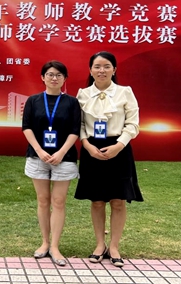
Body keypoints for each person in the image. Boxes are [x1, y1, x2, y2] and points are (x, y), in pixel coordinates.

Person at [74, 51, 143, 268]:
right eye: (97, 66)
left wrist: (119, 146)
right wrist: (87, 145)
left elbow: (133, 123)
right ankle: (99, 244)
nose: (101, 70)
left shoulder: (125, 92)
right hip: (91, 149)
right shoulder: (83, 94)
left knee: (118, 200)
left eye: (106, 66)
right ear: (90, 70)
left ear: (114, 69)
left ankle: (114, 247)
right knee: (96, 200)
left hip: (119, 149)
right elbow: (79, 125)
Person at [22, 60, 81, 267]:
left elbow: (75, 130)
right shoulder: (33, 101)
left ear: (65, 79)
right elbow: (27, 127)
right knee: (42, 200)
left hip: (64, 157)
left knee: (58, 201)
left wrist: (61, 152)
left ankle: (55, 246)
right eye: (50, 74)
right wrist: (39, 150)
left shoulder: (72, 102)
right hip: (38, 157)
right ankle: (44, 242)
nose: (54, 78)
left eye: (58, 75)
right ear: (43, 77)